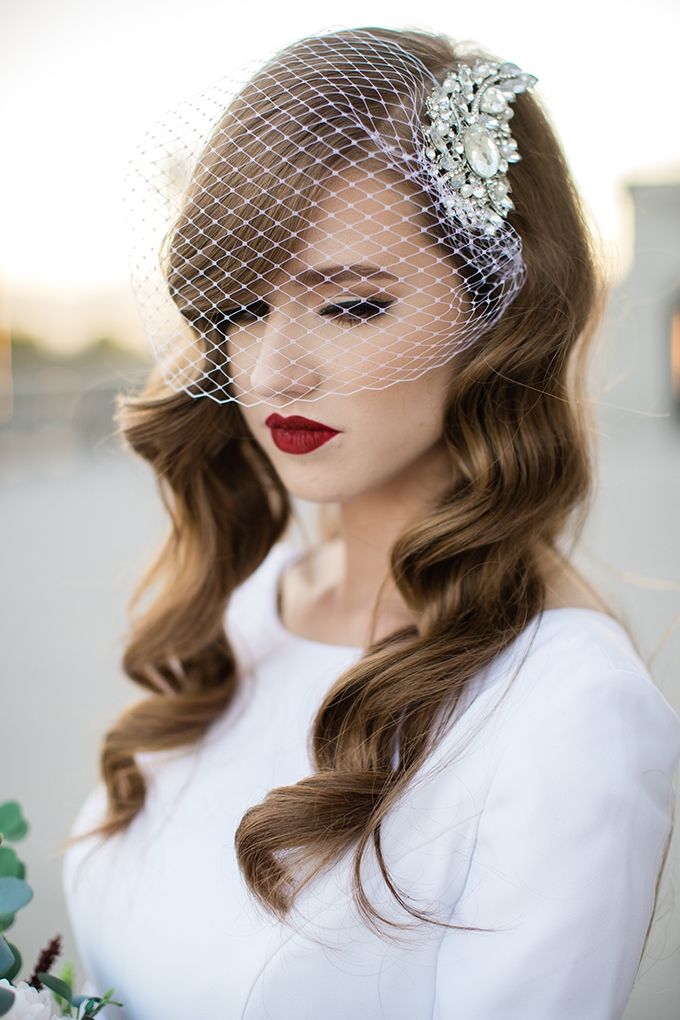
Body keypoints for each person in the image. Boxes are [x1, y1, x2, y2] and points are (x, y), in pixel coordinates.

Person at [60, 25, 680, 1020]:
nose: (269, 374)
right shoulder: (251, 608)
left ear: (501, 308)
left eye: (347, 307)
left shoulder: (563, 714)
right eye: (243, 310)